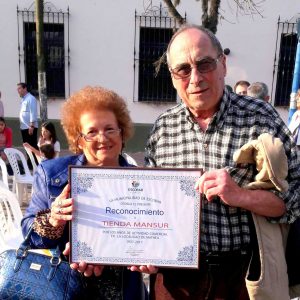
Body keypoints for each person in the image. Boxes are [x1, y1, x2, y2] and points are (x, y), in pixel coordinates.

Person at [145, 24, 300, 299]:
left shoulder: (260, 118)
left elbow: (295, 197)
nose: (195, 78)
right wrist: (143, 248)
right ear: (172, 77)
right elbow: (149, 205)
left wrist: (240, 196)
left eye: (204, 64)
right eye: (183, 69)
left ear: (223, 65)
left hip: (240, 276)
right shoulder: (163, 128)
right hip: (176, 280)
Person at [21, 86, 147, 299]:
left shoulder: (144, 182)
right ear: (78, 140)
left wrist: (150, 255)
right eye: (91, 132)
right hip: (65, 287)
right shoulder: (51, 173)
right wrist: (53, 221)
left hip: (125, 291)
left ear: (122, 132)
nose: (102, 138)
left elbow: (152, 237)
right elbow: (28, 233)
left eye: (110, 129)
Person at [17, 82, 38, 168]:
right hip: (24, 126)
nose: (18, 91)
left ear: (25, 88)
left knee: (32, 145)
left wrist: (31, 126)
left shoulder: (31, 98)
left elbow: (33, 112)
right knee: (26, 145)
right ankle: (30, 162)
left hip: (29, 127)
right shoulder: (24, 99)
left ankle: (34, 162)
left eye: (19, 88)